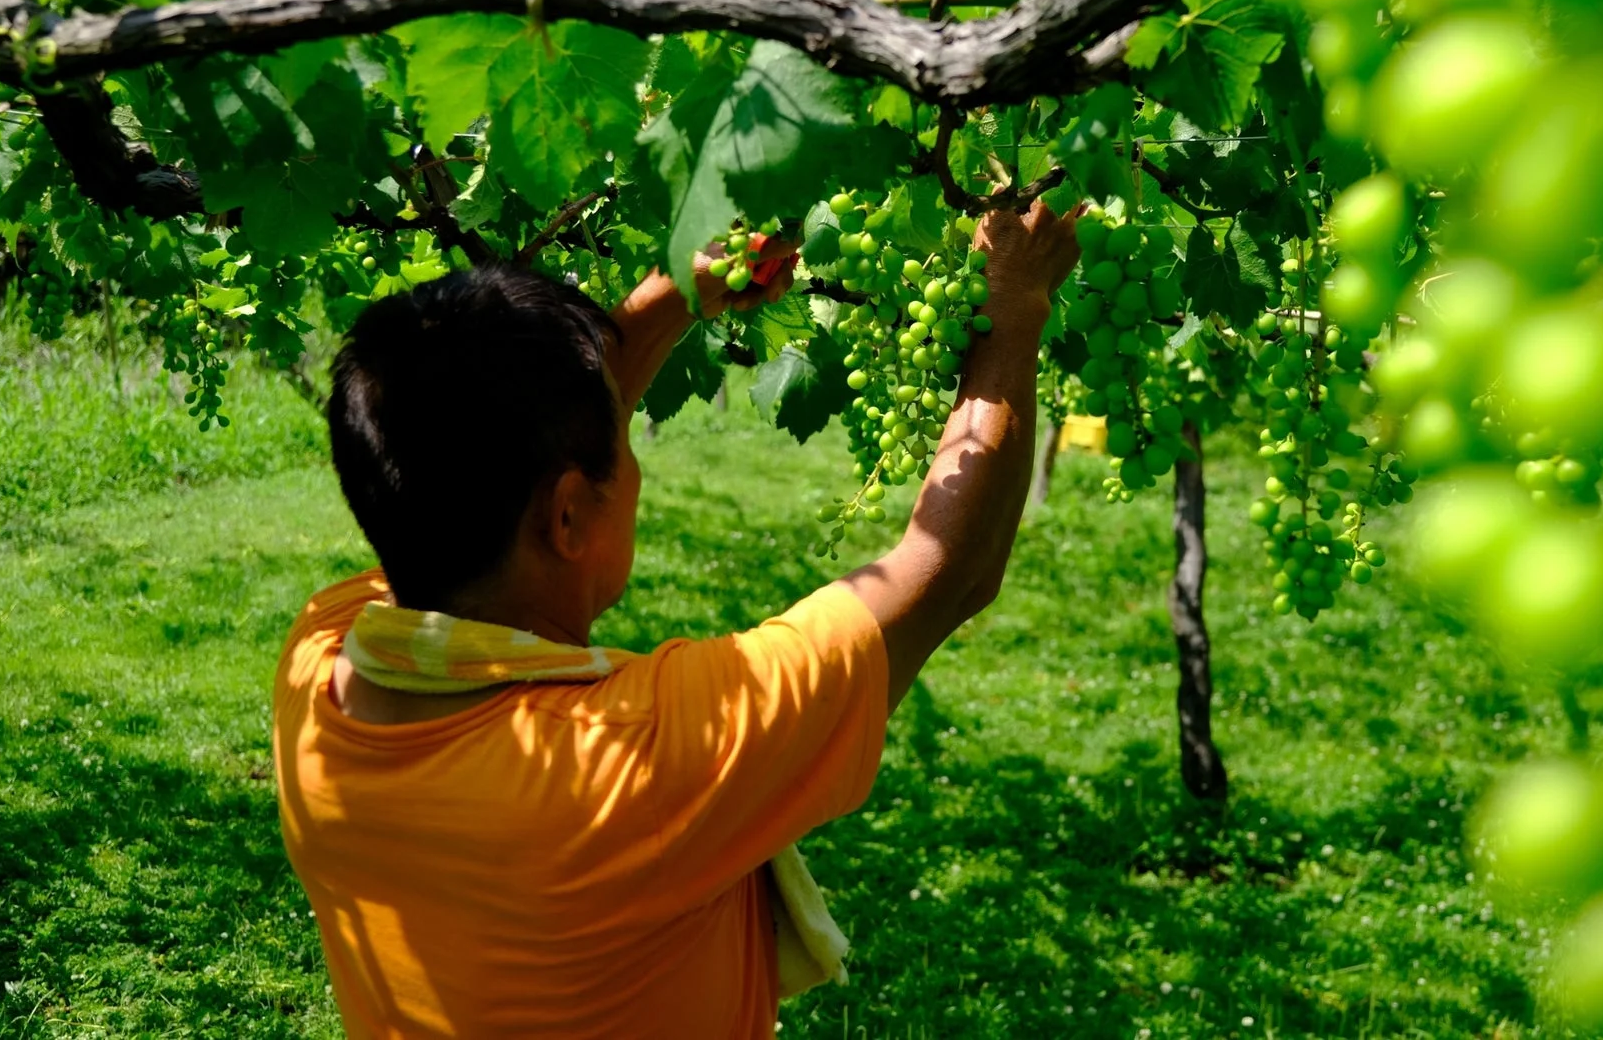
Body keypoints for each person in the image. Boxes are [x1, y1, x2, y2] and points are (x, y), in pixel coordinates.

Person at [270, 200, 1083, 1038]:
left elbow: (493, 454)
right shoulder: (638, 763)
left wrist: (673, 296)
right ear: (567, 518)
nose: (631, 452)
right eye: (622, 443)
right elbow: (947, 572)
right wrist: (1015, 301)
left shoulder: (320, 663)